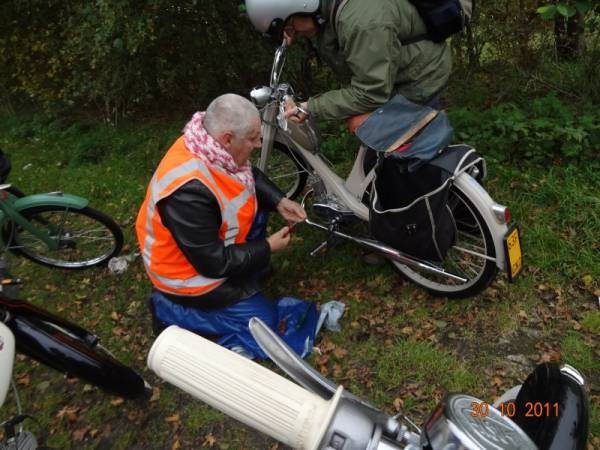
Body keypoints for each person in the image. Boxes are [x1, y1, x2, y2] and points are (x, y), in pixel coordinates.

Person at [135, 93, 313, 358]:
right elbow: (213, 264)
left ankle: (246, 280)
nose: (258, 144)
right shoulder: (187, 192)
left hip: (212, 250)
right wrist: (267, 247)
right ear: (227, 138)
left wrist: (278, 200)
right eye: (253, 138)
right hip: (187, 277)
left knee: (258, 218)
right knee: (264, 325)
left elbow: (247, 174)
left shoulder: (209, 145)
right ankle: (169, 310)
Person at [245, 0, 452, 120]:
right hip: (394, 76)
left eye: (291, 26)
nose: (294, 34)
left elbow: (372, 92)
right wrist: (290, 32)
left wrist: (309, 107)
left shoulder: (360, 22)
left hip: (420, 76)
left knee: (398, 158)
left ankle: (443, 189)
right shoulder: (327, 11)